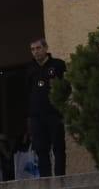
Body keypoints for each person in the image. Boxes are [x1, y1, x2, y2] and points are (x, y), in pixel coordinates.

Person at [27, 37, 69, 177]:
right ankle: (45, 179)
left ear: (45, 48)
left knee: (58, 147)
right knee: (40, 148)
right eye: (33, 49)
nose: (36, 52)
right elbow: (27, 92)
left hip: (54, 113)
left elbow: (66, 87)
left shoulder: (57, 65)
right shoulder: (30, 69)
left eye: (38, 48)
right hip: (36, 116)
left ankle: (60, 178)